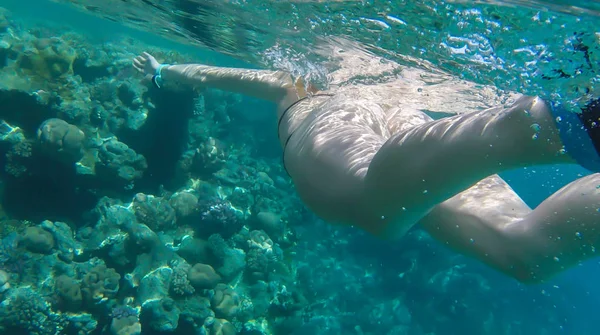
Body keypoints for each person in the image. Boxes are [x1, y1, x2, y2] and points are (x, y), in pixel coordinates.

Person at [133, 49, 600, 284]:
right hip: (407, 140)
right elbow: (208, 75)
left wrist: (163, 71)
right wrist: (165, 71)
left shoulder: (301, 80)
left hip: (354, 142)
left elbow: (205, 74)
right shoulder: (384, 83)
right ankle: (566, 125)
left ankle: (556, 125)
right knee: (526, 255)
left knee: (371, 204)